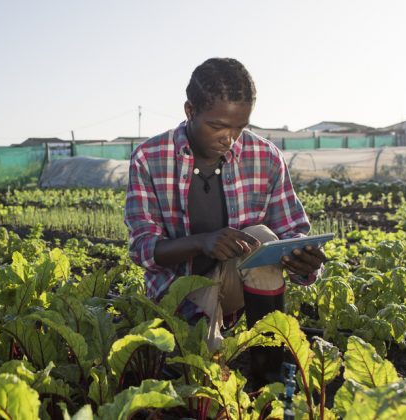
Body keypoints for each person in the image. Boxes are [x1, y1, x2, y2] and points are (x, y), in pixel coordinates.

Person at [124, 57, 326, 386]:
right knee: (194, 381)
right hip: (175, 297)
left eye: (239, 127)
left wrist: (304, 261)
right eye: (217, 126)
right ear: (190, 111)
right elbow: (143, 249)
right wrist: (200, 241)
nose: (229, 138)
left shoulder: (265, 157)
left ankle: (268, 384)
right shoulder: (150, 157)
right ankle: (191, 352)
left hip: (231, 289)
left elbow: (292, 232)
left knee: (262, 236)